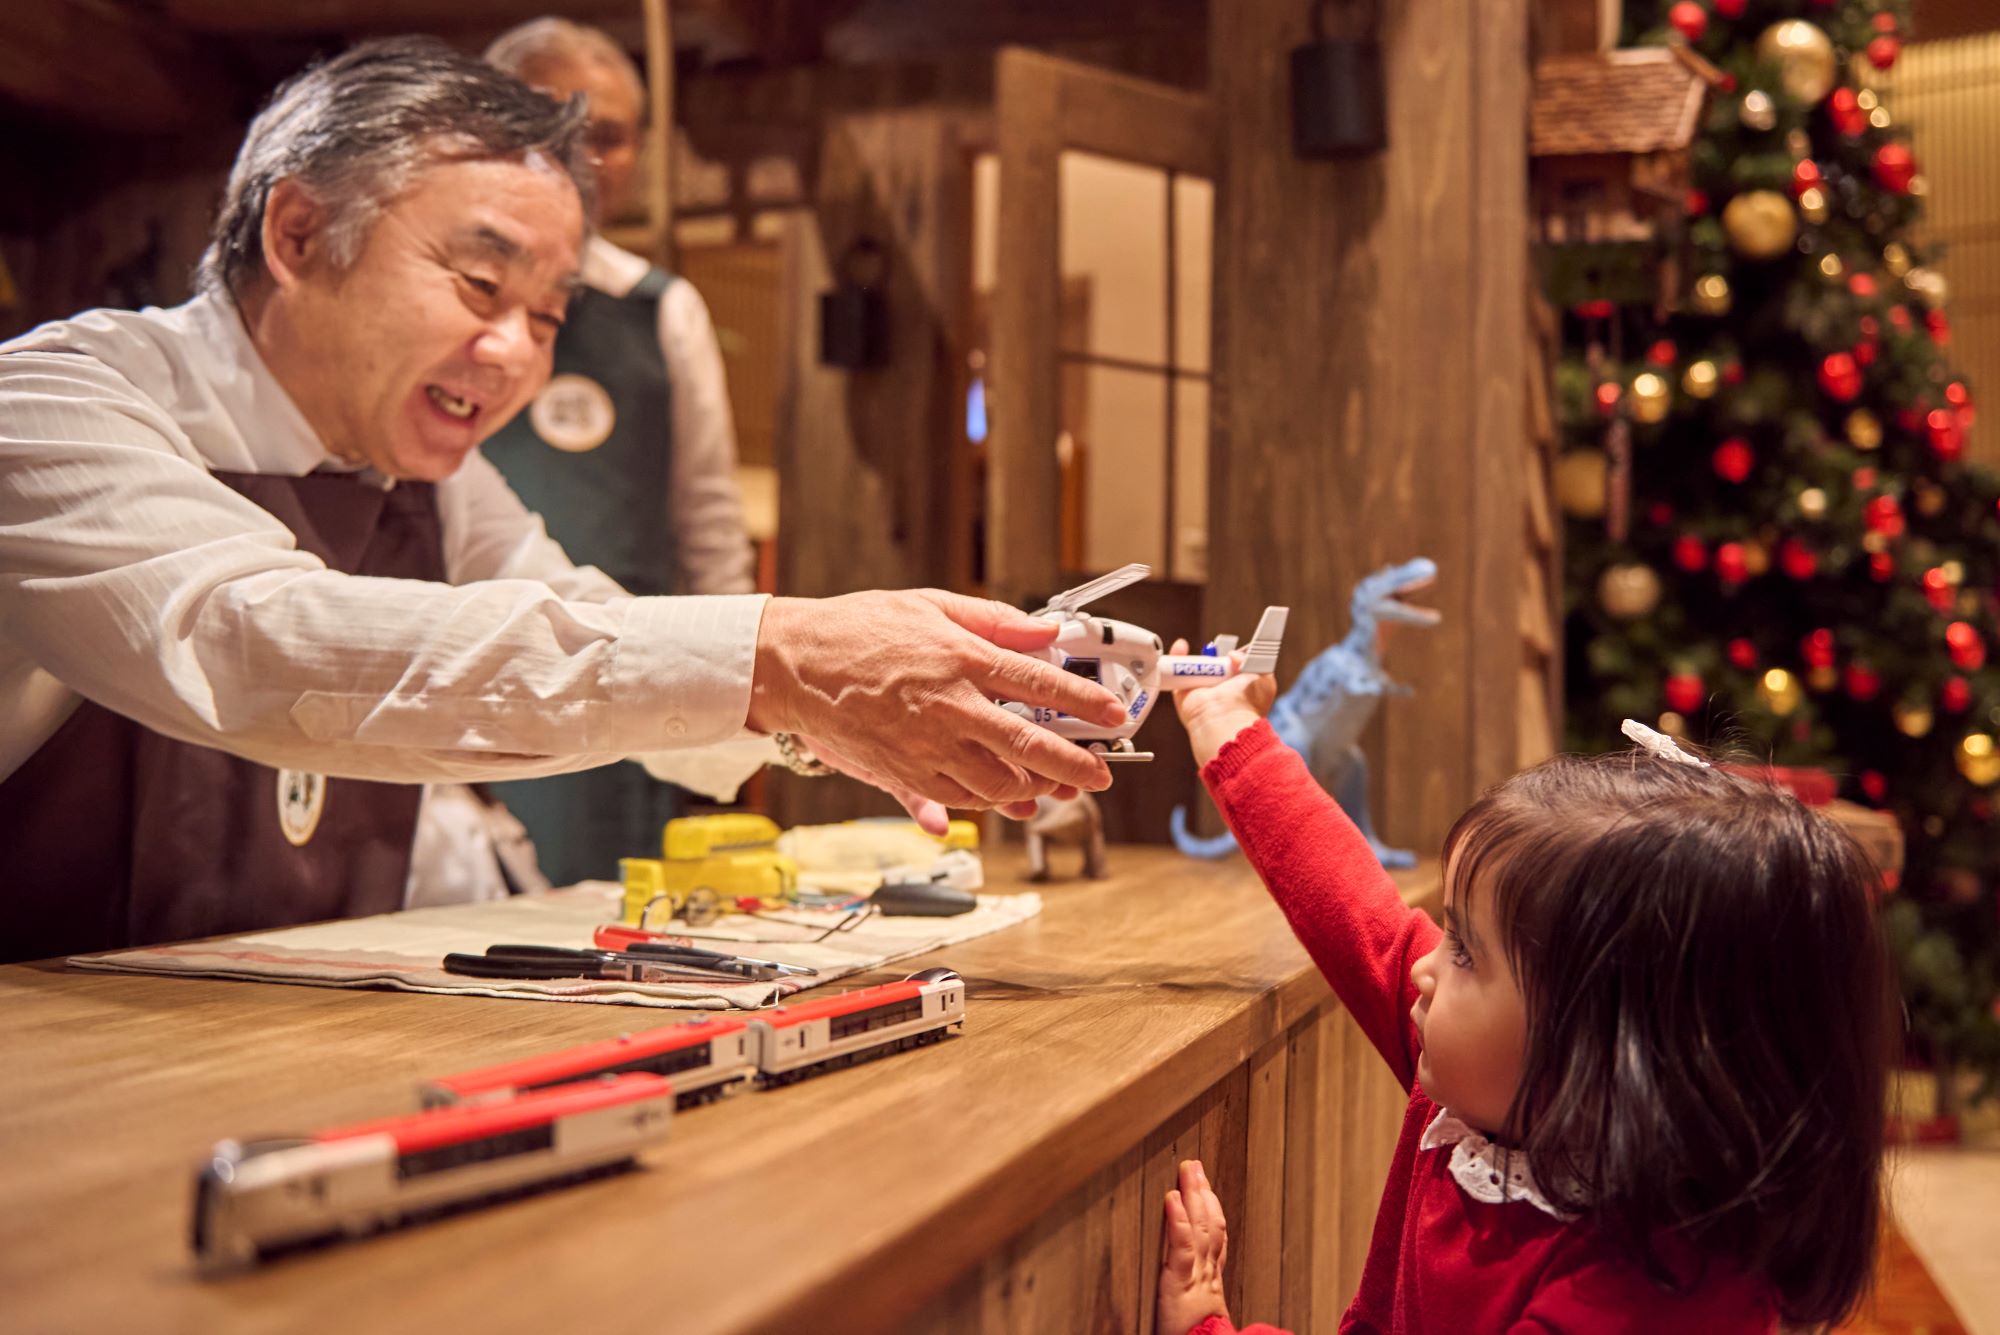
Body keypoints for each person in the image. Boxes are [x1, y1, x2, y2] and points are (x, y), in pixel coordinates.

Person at [0, 38, 1123, 963]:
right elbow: (255, 640)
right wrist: (787, 656)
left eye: (546, 317)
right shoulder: (50, 406)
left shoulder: (434, 485)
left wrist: (848, 725)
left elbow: (584, 626)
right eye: (481, 285)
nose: (511, 355)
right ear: (297, 235)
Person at [1152, 658, 1892, 1333]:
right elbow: (1347, 899)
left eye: (1467, 949)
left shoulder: (1633, 1299)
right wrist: (1226, 724)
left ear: (1616, 1047)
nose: (1421, 968)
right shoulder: (1506, 1085)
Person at [415, 18, 749, 890]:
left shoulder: (658, 311)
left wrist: (745, 689)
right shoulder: (424, 303)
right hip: (445, 667)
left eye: (609, 136)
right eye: (556, 124)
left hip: (623, 666)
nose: (585, 156)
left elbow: (710, 525)